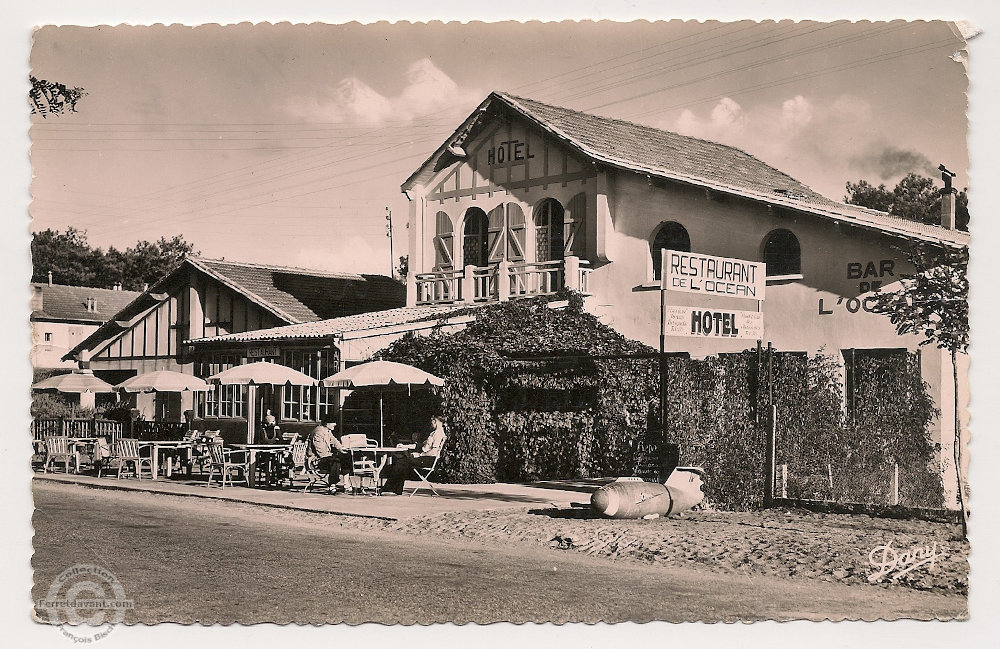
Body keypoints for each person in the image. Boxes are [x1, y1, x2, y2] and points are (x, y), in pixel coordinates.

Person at [381, 415, 446, 495]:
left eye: (432, 421)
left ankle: (391, 488)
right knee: (402, 461)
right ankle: (395, 489)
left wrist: (420, 455)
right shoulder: (433, 433)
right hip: (425, 457)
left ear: (435, 421)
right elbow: (420, 445)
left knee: (402, 462)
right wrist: (405, 446)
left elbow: (434, 451)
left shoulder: (438, 434)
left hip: (429, 459)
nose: (431, 423)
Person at [306, 419, 350, 493]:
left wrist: (341, 448)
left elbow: (334, 440)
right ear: (327, 424)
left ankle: (346, 484)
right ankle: (332, 485)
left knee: (345, 457)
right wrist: (333, 455)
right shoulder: (318, 433)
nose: (335, 424)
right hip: (315, 460)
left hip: (325, 457)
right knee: (335, 460)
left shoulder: (327, 431)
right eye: (333, 422)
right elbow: (321, 452)